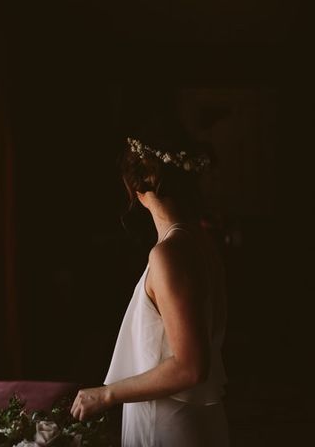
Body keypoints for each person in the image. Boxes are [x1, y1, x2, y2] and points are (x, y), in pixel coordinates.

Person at [70, 127, 229, 446]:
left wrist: (106, 394)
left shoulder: (168, 254)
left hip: (169, 423)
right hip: (192, 418)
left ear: (137, 186)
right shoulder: (200, 242)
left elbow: (191, 367)